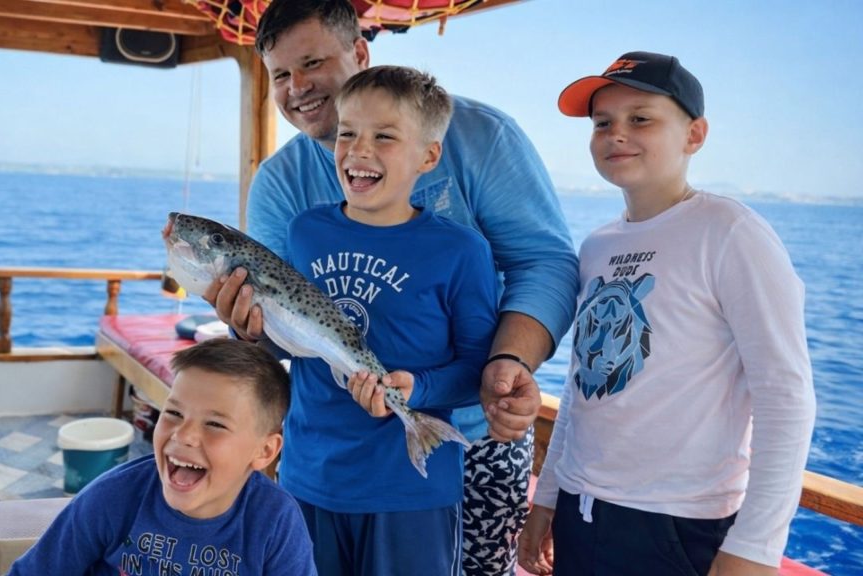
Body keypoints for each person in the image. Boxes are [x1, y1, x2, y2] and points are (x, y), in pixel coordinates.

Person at [204, 1, 580, 573]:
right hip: (332, 461)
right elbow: (282, 331)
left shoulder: (481, 137)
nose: (297, 88)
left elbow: (545, 263)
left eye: (312, 63)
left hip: (477, 434)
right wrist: (246, 327)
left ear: (359, 52)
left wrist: (505, 365)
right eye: (281, 75)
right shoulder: (282, 186)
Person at [517, 51, 816, 576]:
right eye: (602, 123)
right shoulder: (597, 247)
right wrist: (551, 495)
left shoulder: (731, 234)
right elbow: (582, 385)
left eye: (640, 119)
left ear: (694, 135)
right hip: (581, 514)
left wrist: (756, 545)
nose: (616, 134)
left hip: (678, 525)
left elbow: (785, 395)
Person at [279, 63, 497, 575]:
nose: (359, 149)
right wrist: (243, 323)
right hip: (307, 479)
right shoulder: (304, 232)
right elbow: (282, 340)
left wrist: (414, 389)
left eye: (384, 136)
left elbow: (476, 371)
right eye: (347, 133)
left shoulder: (460, 250)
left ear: (429, 155)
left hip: (410, 493)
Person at [8, 339, 317, 576]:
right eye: (173, 413)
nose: (183, 435)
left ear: (264, 451)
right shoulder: (113, 497)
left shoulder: (276, 522)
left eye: (215, 424)